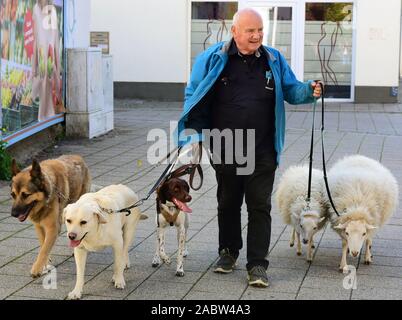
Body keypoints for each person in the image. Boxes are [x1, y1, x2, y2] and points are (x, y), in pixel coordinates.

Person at [176, 8, 322, 288]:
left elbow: (292, 90)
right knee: (228, 203)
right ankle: (228, 252)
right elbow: (193, 94)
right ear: (234, 31)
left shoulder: (273, 59)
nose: (256, 36)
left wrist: (310, 90)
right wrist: (192, 135)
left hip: (263, 148)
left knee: (259, 206)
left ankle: (257, 264)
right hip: (225, 146)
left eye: (260, 31)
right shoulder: (211, 59)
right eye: (250, 31)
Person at [31, 0, 62, 121]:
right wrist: (34, 64)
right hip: (41, 52)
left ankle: (46, 115)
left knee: (47, 83)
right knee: (41, 82)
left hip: (49, 55)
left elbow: (54, 38)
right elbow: (35, 36)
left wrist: (57, 64)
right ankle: (42, 115)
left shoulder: (51, 10)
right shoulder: (36, 8)